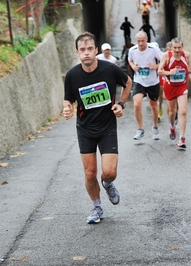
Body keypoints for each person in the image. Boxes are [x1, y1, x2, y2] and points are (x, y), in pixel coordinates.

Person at [63, 32, 132, 224]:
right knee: (90, 173)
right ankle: (97, 207)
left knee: (109, 172)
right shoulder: (72, 75)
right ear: (77, 52)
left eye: (90, 49)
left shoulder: (110, 69)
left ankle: (108, 183)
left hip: (107, 126)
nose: (86, 53)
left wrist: (121, 104)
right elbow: (68, 98)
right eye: (82, 50)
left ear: (96, 50)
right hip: (85, 129)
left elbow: (128, 83)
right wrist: (67, 107)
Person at [158, 37, 191, 150]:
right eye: (175, 48)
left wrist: (189, 75)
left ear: (182, 47)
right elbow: (159, 71)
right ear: (171, 48)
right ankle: (172, 126)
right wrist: (170, 72)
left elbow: (188, 65)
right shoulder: (166, 56)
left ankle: (182, 138)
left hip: (182, 86)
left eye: (179, 48)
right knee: (172, 111)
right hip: (170, 86)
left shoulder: (186, 55)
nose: (177, 50)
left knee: (183, 111)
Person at [128, 31, 163, 140]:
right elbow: (130, 60)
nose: (141, 43)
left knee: (153, 105)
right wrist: (133, 66)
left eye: (143, 41)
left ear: (147, 39)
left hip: (152, 81)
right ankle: (140, 129)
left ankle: (155, 127)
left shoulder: (153, 49)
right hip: (139, 81)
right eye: (138, 41)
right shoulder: (132, 50)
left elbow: (163, 61)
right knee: (137, 104)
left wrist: (155, 66)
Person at [158, 41, 172, 122]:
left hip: (171, 79)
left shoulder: (176, 56)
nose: (171, 51)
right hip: (162, 77)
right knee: (160, 95)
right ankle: (159, 107)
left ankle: (171, 112)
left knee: (169, 98)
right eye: (169, 49)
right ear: (166, 48)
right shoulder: (162, 55)